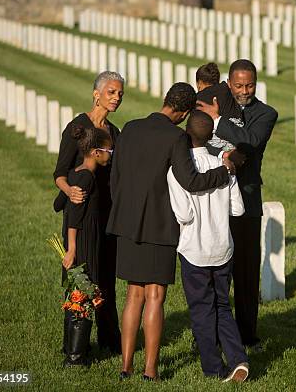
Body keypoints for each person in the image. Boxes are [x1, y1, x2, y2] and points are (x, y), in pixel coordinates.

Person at [107, 82, 237, 381]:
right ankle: (150, 369)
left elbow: (115, 176)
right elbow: (190, 180)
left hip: (126, 223)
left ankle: (125, 366)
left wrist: (125, 210)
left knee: (132, 296)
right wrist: (224, 171)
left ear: (165, 100)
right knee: (154, 296)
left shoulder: (129, 127)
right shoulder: (175, 136)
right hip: (159, 224)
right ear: (185, 112)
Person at [197, 59, 278, 350]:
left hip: (246, 198)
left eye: (250, 85)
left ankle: (247, 335)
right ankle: (209, 335)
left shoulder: (266, 113)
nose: (245, 90)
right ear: (229, 83)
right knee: (214, 271)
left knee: (245, 271)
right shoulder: (214, 101)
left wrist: (218, 122)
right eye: (239, 85)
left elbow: (251, 141)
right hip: (214, 197)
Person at [167, 110, 249, 382]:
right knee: (223, 306)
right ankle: (238, 358)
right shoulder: (223, 165)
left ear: (185, 135)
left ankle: (213, 368)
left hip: (195, 250)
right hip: (223, 247)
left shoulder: (176, 171)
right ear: (211, 136)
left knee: (202, 310)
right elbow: (237, 209)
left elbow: (184, 215)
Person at [54, 71, 124, 355]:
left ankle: (110, 341)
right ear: (97, 94)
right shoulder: (77, 128)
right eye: (111, 92)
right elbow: (59, 173)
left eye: (120, 93)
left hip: (107, 215)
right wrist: (70, 190)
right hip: (81, 214)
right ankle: (74, 348)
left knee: (106, 279)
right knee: (81, 280)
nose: (117, 97)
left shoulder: (114, 132)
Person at [61, 124, 114, 366]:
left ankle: (71, 348)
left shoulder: (76, 173)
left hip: (82, 240)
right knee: (83, 294)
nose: (110, 156)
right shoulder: (87, 178)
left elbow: (58, 202)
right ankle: (75, 357)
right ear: (95, 152)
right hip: (83, 243)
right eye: (108, 151)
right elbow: (74, 214)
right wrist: (72, 249)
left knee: (77, 293)